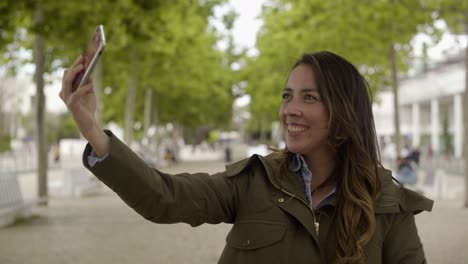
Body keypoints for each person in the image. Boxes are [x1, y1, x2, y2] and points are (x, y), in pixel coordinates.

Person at [60, 51, 433, 263]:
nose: (290, 109)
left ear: (344, 113)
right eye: (287, 96)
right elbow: (165, 198)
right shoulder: (255, 180)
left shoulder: (388, 202)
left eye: (309, 97)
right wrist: (91, 128)